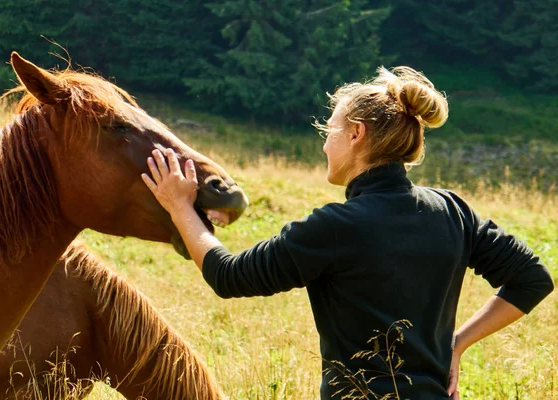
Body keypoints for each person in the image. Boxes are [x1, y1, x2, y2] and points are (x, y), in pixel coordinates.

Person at [141, 66, 554, 399]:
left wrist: (180, 207)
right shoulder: (452, 210)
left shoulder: (336, 227)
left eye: (330, 130)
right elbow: (532, 279)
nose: (324, 145)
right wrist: (457, 343)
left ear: (356, 134)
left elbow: (229, 275)